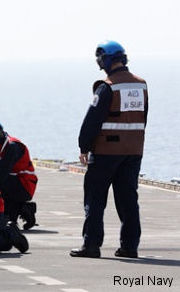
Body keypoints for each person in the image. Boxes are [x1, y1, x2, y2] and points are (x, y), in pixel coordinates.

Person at [70, 40, 148, 259]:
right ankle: (129, 246)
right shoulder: (141, 85)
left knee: (95, 200)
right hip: (133, 151)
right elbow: (143, 117)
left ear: (106, 59)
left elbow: (92, 119)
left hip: (106, 152)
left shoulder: (107, 86)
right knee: (128, 200)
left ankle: (92, 245)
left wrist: (84, 146)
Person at [0, 118, 38, 229]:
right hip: (10, 185)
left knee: (6, 222)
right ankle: (21, 208)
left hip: (23, 185)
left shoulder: (12, 147)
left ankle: (16, 210)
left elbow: (0, 175)